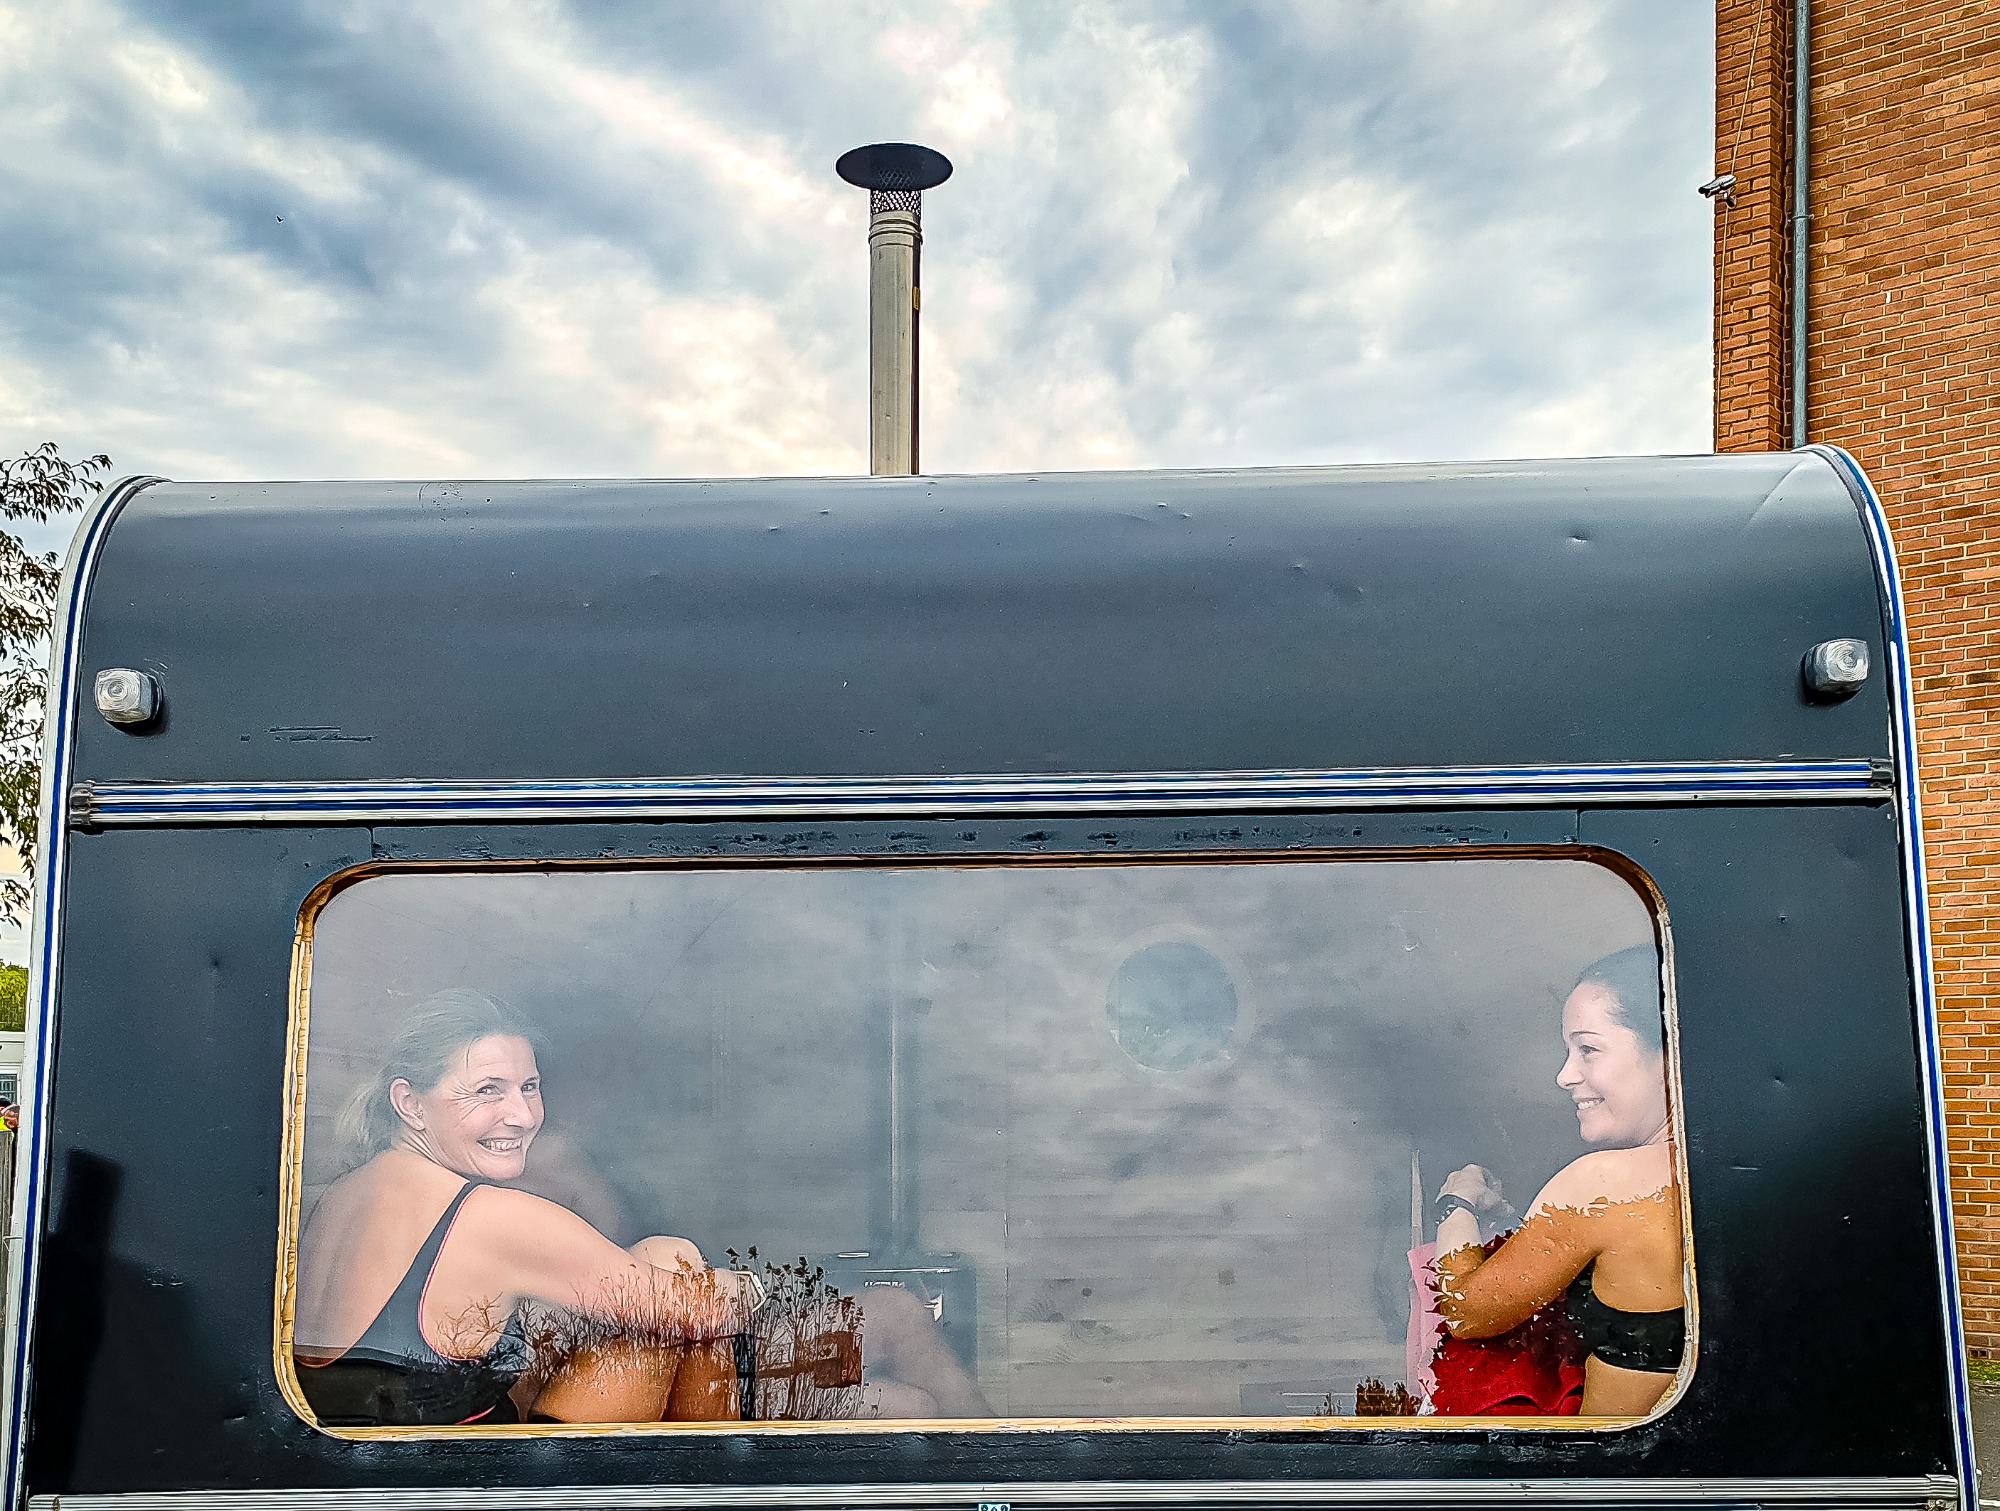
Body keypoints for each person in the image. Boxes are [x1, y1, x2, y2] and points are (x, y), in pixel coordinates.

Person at [293, 988, 986, 1426]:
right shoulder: (488, 1216)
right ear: (409, 1102)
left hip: (431, 1466)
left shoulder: (339, 1200)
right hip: (499, 1488)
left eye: (530, 1087)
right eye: (487, 1090)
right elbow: (698, 1313)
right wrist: (743, 1282)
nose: (522, 1114)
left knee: (905, 1404)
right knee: (670, 1257)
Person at [1430, 946, 1686, 1417]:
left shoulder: (1605, 1184)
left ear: (1670, 1051)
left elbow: (1465, 1310)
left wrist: (1455, 1204)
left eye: (1588, 1049)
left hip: (1615, 1465)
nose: (1565, 1076)